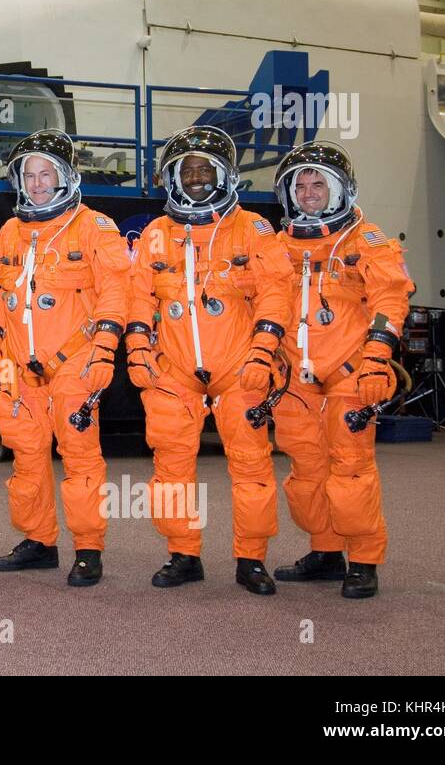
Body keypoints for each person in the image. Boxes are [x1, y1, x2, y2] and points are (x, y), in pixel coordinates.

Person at [126, 125, 293, 595]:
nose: (196, 177)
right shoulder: (156, 234)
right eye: (187, 170)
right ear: (173, 178)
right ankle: (183, 554)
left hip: (240, 366)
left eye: (205, 169)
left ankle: (251, 558)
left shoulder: (252, 228)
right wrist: (138, 347)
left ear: (224, 174)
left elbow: (275, 294)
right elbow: (137, 297)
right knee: (171, 464)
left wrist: (263, 351)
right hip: (175, 368)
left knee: (252, 466)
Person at [0, 129, 130, 586]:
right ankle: (39, 541)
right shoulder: (10, 232)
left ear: (66, 176)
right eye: (31, 175)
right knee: (26, 456)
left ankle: (88, 548)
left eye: (47, 174)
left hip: (75, 361)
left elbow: (115, 292)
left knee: (80, 457)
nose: (39, 183)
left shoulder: (94, 226)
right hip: (17, 364)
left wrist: (104, 350)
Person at [269, 140, 412, 599]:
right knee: (307, 471)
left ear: (339, 189)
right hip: (295, 377)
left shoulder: (365, 240)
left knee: (351, 469)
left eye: (318, 183)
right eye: (301, 184)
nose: (309, 192)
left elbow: (391, 299)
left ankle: (365, 560)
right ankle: (327, 552)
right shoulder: (277, 246)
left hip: (350, 371)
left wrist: (376, 357)